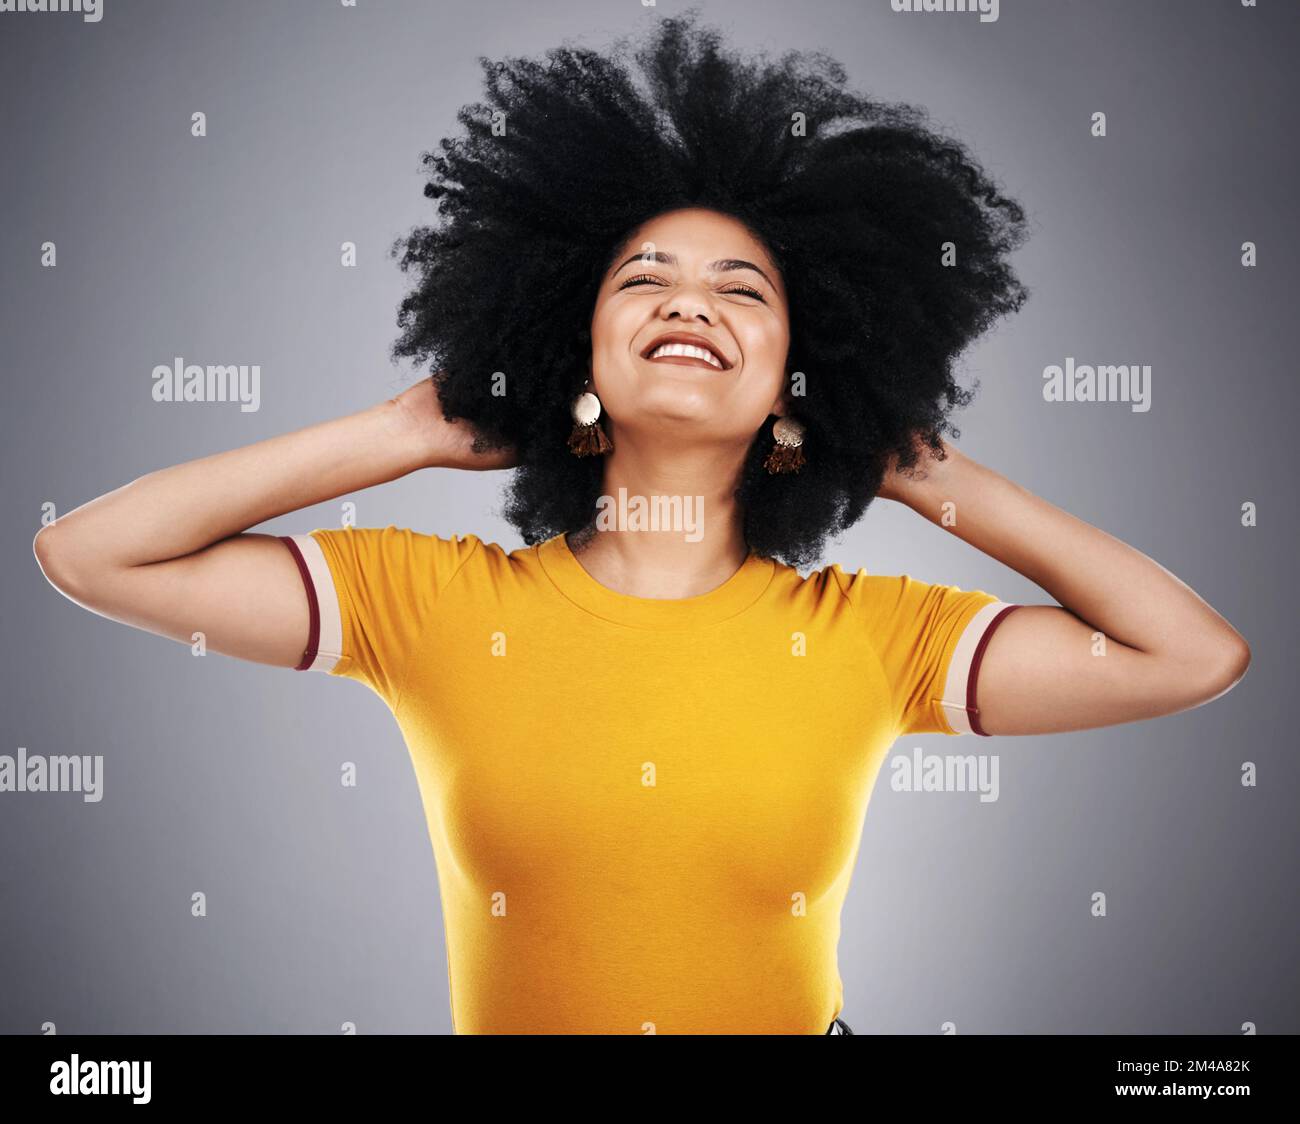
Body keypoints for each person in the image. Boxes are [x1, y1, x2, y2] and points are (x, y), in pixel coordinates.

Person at [32, 12, 1249, 1035]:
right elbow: (87, 552)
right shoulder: (433, 604)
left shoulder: (878, 634)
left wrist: (926, 473)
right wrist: (401, 430)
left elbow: (1190, 654)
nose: (690, 301)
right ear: (577, 350)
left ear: (797, 377)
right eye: (643, 278)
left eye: (743, 289)